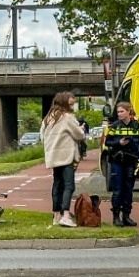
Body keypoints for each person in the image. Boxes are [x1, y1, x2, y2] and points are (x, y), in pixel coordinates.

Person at [40, 92, 86, 228]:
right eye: (71, 104)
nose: (72, 106)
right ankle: (66, 215)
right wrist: (81, 129)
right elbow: (79, 134)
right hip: (66, 155)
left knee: (57, 185)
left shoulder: (48, 118)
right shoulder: (67, 117)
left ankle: (56, 215)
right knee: (69, 185)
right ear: (65, 103)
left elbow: (42, 137)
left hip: (54, 156)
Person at [104, 101, 139, 227]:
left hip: (131, 161)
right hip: (117, 161)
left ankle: (126, 216)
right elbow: (107, 143)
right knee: (117, 189)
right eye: (118, 112)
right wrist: (118, 143)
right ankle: (116, 216)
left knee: (128, 189)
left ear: (128, 111)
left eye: (121, 111)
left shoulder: (137, 126)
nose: (119, 114)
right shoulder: (114, 126)